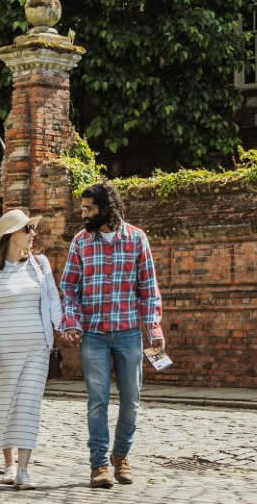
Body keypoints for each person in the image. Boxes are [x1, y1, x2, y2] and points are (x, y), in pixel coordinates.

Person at [59, 182, 164, 489]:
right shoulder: (81, 241)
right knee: (98, 400)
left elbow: (148, 289)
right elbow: (69, 288)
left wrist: (153, 328)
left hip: (129, 333)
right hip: (93, 334)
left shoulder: (136, 239)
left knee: (131, 400)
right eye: (82, 208)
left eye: (88, 208)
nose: (83, 213)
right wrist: (72, 322)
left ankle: (121, 456)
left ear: (105, 208)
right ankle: (99, 465)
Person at [0, 208, 62, 490]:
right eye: (28, 229)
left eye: (32, 229)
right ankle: (9, 464)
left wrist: (63, 327)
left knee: (28, 407)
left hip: (36, 347)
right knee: (5, 407)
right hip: (4, 349)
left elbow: (52, 300)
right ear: (12, 235)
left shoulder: (40, 264)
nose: (32, 234)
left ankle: (25, 470)